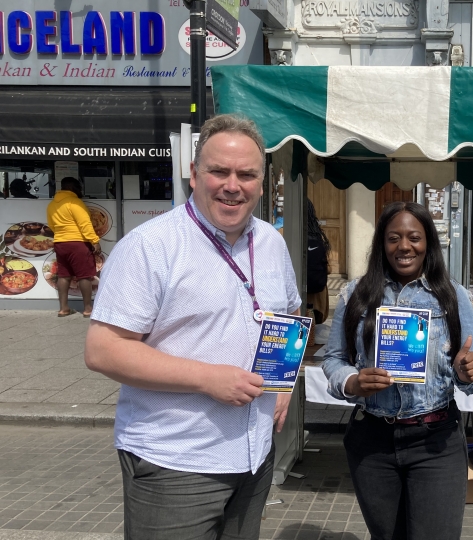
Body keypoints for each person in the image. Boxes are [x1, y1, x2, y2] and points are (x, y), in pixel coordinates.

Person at [84, 114, 301, 540]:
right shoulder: (151, 246)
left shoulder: (271, 242)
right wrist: (207, 379)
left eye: (247, 174)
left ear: (262, 181)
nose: (232, 185)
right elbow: (103, 349)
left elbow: (287, 317)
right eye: (219, 171)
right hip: (177, 460)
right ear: (194, 172)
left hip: (254, 455)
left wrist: (284, 383)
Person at [322, 201, 473, 540]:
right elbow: (333, 359)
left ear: (428, 243)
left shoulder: (452, 296)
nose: (404, 247)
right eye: (394, 238)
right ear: (382, 243)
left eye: (414, 237)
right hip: (372, 440)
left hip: (436, 441)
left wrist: (468, 371)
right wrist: (353, 382)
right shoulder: (355, 294)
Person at [46, 177, 101, 317]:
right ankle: (88, 309)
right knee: (84, 276)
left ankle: (63, 308)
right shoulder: (75, 202)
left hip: (60, 243)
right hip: (78, 243)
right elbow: (85, 224)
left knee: (64, 275)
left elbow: (51, 225)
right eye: (79, 188)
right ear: (74, 188)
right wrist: (94, 240)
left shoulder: (52, 204)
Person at [306, 199, 330, 324]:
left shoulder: (284, 234)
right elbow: (328, 269)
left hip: (299, 297)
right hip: (318, 298)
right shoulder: (318, 235)